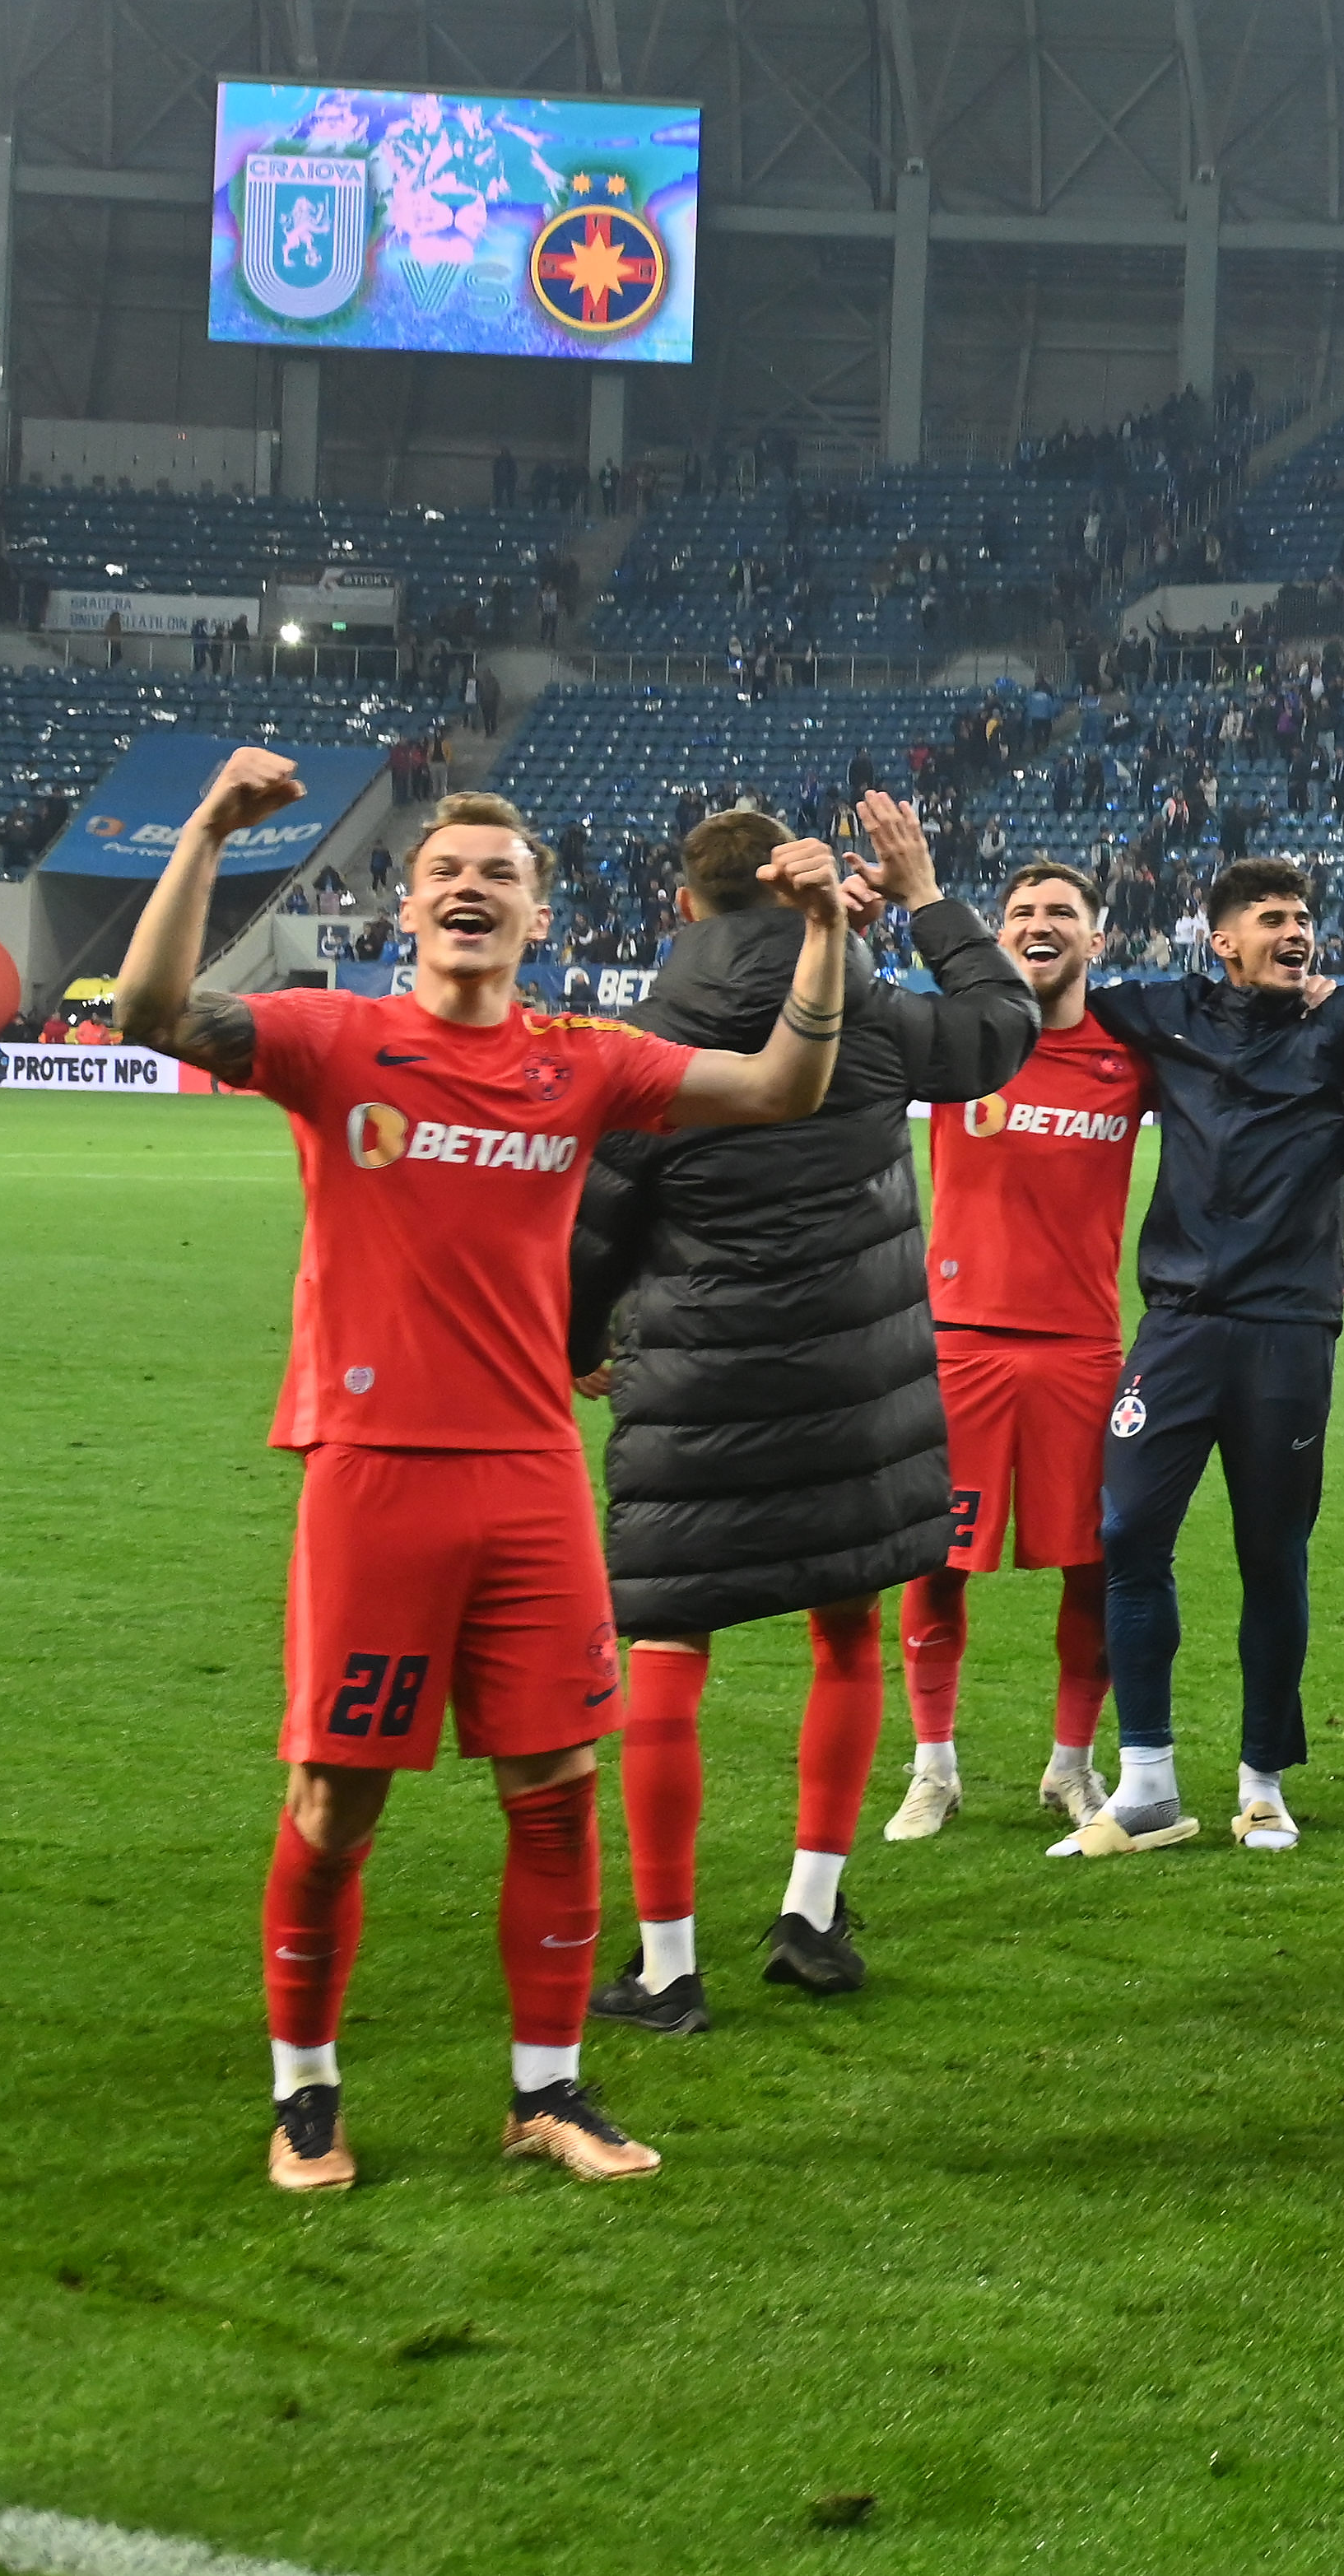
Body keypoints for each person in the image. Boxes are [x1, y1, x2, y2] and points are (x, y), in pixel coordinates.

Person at [117, 754, 850, 2192]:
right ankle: (306, 2092)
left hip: (527, 1478)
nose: (469, 887)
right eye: (446, 870)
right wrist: (207, 830)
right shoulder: (331, 1040)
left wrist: (827, 931)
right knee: (337, 1801)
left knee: (559, 1786)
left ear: (539, 912)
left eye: (497, 874)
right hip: (373, 1473)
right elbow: (147, 1013)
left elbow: (782, 1083)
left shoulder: (582, 1060)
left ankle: (548, 2087)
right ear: (407, 902)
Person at [568, 799, 1035, 2027]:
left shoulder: (646, 1041)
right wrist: (927, 890)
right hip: (853, 1383)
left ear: (684, 906)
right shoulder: (872, 1016)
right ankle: (813, 1914)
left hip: (694, 1388)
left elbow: (594, 1231)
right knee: (844, 1628)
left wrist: (578, 1346)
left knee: (667, 1652)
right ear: (799, 895)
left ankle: (666, 1965)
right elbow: (999, 1029)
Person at [1054, 858, 1344, 1857]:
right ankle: (1148, 1784)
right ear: (1222, 939)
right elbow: (1046, 997)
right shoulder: (1164, 1012)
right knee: (1127, 1535)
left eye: (1304, 917)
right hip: (1175, 1325)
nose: (1297, 931)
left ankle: (1261, 1783)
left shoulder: (1340, 1027)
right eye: (1273, 918)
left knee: (1274, 1556)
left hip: (1288, 1334)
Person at [889, 863, 1146, 1845]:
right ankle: (933, 1768)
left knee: (1096, 1564)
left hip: (1082, 1346)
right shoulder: (963, 1040)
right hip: (958, 1340)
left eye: (1061, 914)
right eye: (1023, 913)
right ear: (996, 936)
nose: (1041, 926)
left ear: (1098, 937)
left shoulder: (1130, 1051)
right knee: (934, 1559)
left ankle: (1071, 1767)